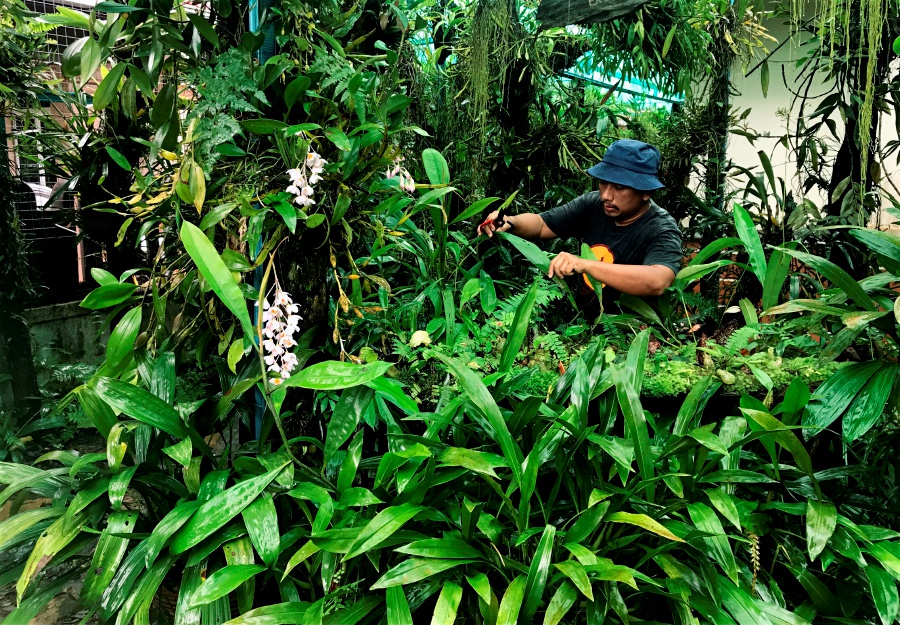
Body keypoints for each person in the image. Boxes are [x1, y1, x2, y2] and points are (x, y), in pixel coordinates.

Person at [478, 139, 682, 306]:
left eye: (619, 187)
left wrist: (586, 265)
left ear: (646, 191)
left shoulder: (661, 229)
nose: (606, 195)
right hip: (582, 330)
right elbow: (542, 224)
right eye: (603, 183)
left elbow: (658, 281)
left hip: (632, 338)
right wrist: (509, 222)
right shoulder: (593, 205)